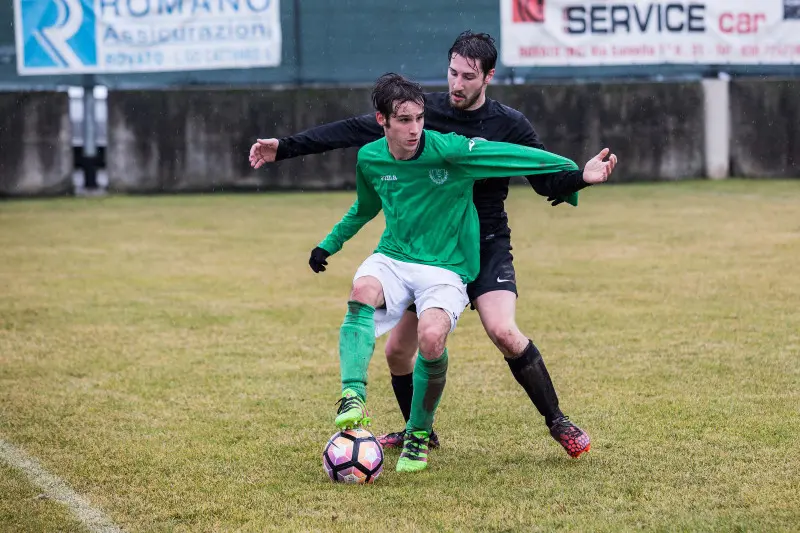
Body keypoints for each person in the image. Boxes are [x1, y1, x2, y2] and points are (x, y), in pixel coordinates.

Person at [251, 31, 618, 459]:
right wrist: (286, 148)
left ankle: (558, 421)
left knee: (503, 331)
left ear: (489, 77)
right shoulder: (425, 113)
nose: (456, 84)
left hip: (486, 238)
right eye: (452, 73)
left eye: (467, 77)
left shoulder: (509, 124)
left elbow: (542, 178)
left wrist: (580, 177)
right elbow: (355, 130)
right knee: (397, 351)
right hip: (429, 244)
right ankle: (418, 433)